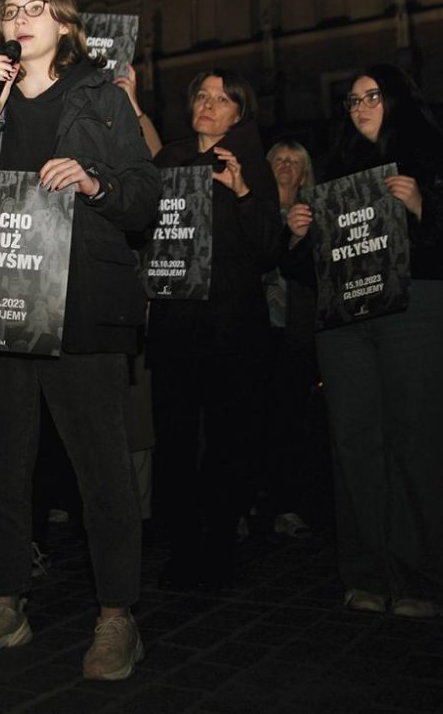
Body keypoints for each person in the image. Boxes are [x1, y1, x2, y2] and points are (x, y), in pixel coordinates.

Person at [0, 0, 160, 680]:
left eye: (37, 9)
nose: (22, 19)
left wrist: (95, 182)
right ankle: (6, 601)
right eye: (11, 11)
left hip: (85, 305)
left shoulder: (99, 96)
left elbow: (143, 198)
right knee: (2, 464)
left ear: (64, 26)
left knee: (101, 468)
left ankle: (116, 616)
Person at [285, 66, 443, 618]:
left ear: (397, 100)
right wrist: (298, 237)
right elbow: (309, 270)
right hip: (347, 325)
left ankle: (425, 578)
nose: (362, 107)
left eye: (373, 97)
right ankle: (368, 571)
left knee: (417, 442)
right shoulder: (335, 171)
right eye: (352, 100)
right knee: (355, 445)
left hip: (418, 310)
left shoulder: (436, 156)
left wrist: (423, 207)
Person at [148, 69, 281, 591]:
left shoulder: (249, 163)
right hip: (176, 328)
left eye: (222, 98)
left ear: (239, 112)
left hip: (231, 330)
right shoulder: (168, 161)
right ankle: (182, 550)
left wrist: (243, 190)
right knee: (176, 443)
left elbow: (270, 248)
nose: (208, 103)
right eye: (201, 94)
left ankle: (220, 550)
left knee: (227, 445)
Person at [262, 141, 319, 539]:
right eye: (279, 160)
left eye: (295, 162)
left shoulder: (316, 217)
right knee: (249, 420)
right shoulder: (255, 212)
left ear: (304, 173)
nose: (286, 167)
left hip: (295, 330)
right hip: (253, 328)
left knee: (291, 422)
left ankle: (288, 506)